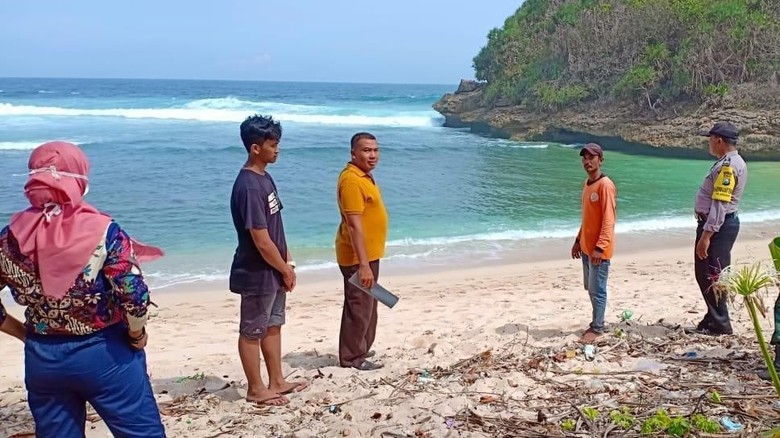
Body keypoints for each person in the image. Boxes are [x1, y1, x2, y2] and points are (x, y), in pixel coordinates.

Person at [0, 141, 166, 437]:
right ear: (79, 178)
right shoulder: (103, 231)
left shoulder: (10, 236)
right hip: (106, 353)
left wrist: (23, 333)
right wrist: (136, 333)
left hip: (43, 357)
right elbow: (134, 293)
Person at [229, 114, 308, 406]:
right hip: (257, 270)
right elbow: (260, 238)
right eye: (272, 145)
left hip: (275, 267)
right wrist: (282, 268)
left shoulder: (265, 177)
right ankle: (255, 388)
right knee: (252, 329)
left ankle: (276, 380)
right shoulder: (249, 185)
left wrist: (288, 262)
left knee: (273, 324)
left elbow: (276, 224)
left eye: (278, 144)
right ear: (255, 147)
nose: (277, 150)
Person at [335, 132, 388, 370]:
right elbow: (354, 224)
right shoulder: (351, 181)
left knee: (370, 304)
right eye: (366, 150)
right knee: (359, 306)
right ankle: (351, 358)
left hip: (370, 254)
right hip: (358, 257)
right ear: (353, 153)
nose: (373, 155)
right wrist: (364, 264)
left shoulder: (365, 176)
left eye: (375, 150)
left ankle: (362, 348)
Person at [691, 121, 748, 336]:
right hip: (718, 225)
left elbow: (720, 203)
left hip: (717, 227)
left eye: (711, 138)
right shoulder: (728, 162)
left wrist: (707, 234)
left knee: (712, 275)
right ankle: (713, 316)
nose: (709, 143)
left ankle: (721, 323)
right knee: (708, 273)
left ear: (719, 140)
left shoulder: (728, 166)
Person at [571, 143, 617, 344]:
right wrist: (578, 240)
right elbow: (588, 218)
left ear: (600, 160)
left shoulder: (605, 185)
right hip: (587, 247)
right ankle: (595, 322)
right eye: (585, 158)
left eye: (592, 157)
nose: (587, 161)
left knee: (598, 289)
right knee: (590, 288)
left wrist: (600, 247)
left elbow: (609, 219)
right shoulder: (588, 184)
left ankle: (597, 327)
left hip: (599, 250)